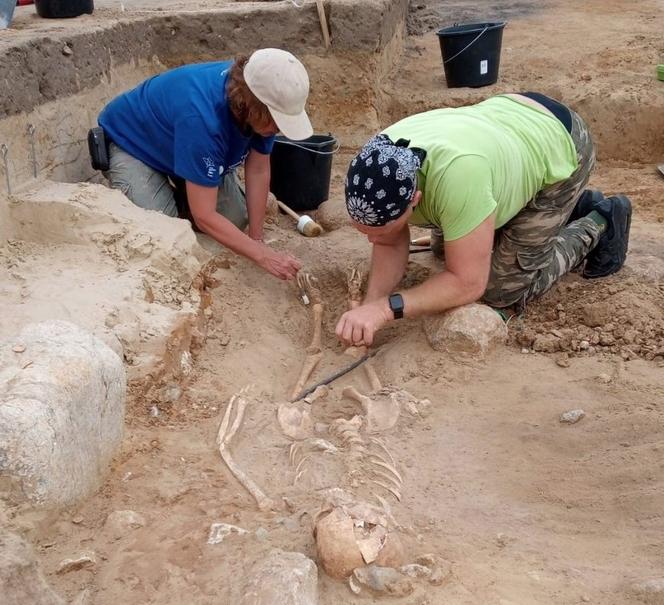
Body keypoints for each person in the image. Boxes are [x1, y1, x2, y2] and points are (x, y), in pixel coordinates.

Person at [336, 92, 632, 346]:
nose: (372, 240)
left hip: (562, 141)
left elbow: (468, 283)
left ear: (415, 199)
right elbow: (388, 242)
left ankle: (599, 219)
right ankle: (561, 209)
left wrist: (386, 310)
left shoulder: (460, 179)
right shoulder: (378, 161)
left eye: (380, 230)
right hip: (508, 130)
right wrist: (370, 303)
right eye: (364, 232)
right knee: (443, 252)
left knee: (500, 290)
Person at [98, 48, 312, 280]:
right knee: (164, 233)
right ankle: (178, 194)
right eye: (276, 121)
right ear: (251, 106)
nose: (278, 129)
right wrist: (263, 256)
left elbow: (258, 169)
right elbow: (205, 215)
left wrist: (256, 239)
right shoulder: (204, 119)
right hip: (134, 145)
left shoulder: (261, 97)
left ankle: (190, 186)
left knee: (235, 218)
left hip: (182, 146)